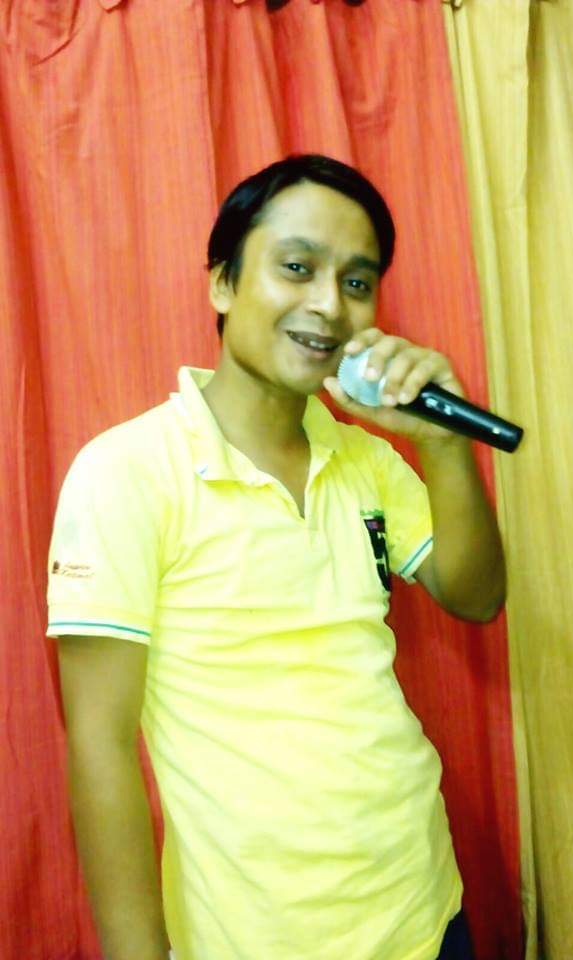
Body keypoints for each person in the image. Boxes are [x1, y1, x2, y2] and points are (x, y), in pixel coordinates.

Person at [47, 154, 504, 960]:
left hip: (424, 904)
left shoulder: (366, 458)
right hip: (257, 936)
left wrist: (442, 445)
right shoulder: (124, 472)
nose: (328, 304)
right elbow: (99, 745)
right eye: (297, 268)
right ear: (223, 283)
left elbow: (476, 595)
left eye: (356, 282)